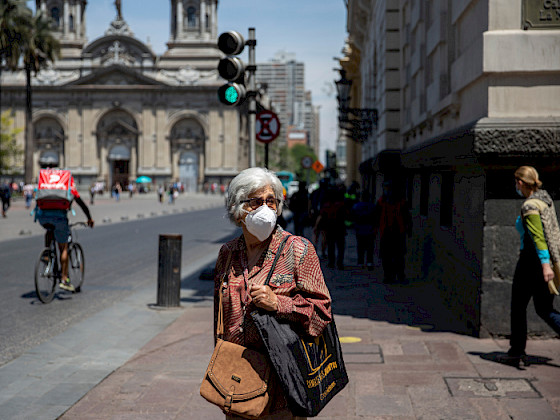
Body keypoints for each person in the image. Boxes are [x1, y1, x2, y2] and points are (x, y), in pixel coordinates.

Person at [215, 167, 332, 419]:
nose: (265, 209)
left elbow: (322, 314)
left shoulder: (298, 250)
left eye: (271, 201)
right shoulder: (227, 254)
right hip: (237, 386)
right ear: (238, 211)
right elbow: (219, 321)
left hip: (283, 388)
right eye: (256, 202)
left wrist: (278, 303)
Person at [504, 166, 560, 365]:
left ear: (520, 183)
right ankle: (516, 351)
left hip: (531, 263)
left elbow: (538, 237)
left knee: (518, 307)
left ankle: (516, 352)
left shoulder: (530, 206)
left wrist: (545, 265)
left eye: (516, 182)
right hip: (544, 262)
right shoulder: (545, 199)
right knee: (544, 309)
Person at [35, 170, 94, 292]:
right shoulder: (68, 186)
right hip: (59, 218)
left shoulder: (47, 185)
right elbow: (82, 204)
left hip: (42, 217)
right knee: (64, 248)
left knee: (49, 229)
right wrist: (89, 218)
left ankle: (47, 254)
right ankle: (64, 279)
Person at [373, 179, 412, 284]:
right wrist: (375, 229)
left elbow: (407, 217)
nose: (387, 191)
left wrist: (408, 230)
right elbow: (376, 217)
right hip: (386, 232)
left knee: (399, 256)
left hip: (398, 232)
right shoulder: (381, 202)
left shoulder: (401, 202)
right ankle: (388, 276)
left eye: (389, 188)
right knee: (386, 257)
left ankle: (400, 275)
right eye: (386, 188)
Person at [315, 185, 348, 270]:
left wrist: (318, 227)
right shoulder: (341, 205)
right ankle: (339, 263)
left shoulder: (327, 205)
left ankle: (331, 262)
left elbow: (322, 216)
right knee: (340, 246)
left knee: (331, 245)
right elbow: (346, 216)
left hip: (329, 228)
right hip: (340, 228)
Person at [351, 191, 376, 270]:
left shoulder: (356, 206)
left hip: (360, 229)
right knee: (370, 247)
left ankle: (361, 262)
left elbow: (353, 216)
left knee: (360, 246)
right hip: (370, 229)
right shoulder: (372, 206)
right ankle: (369, 262)